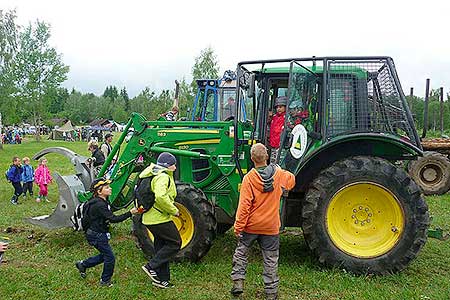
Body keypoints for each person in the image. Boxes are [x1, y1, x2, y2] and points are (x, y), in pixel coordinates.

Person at [230, 143, 295, 300]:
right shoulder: (279, 175)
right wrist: (280, 170)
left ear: (252, 158)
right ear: (266, 156)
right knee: (271, 259)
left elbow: (244, 206)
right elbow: (292, 181)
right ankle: (271, 292)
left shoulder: (249, 179)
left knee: (241, 253)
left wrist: (238, 227)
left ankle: (238, 283)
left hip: (251, 226)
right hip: (271, 227)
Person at [75, 178, 140, 287]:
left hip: (97, 233)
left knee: (105, 255)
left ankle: (83, 264)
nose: (110, 189)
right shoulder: (99, 205)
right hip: (96, 235)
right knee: (110, 258)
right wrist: (130, 213)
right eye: (107, 188)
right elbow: (113, 219)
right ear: (99, 192)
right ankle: (105, 281)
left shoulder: (102, 201)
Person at [141, 152, 181, 289]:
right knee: (175, 243)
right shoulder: (162, 177)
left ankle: (162, 279)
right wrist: (174, 210)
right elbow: (160, 197)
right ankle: (150, 266)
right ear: (168, 166)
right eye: (173, 165)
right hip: (158, 219)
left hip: (149, 218)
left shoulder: (154, 173)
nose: (175, 167)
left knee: (161, 247)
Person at [268, 96, 287, 163]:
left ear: (285, 107)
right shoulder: (274, 117)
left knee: (279, 164)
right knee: (273, 164)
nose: (278, 109)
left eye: (281, 107)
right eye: (277, 107)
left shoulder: (287, 118)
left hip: (282, 147)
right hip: (273, 146)